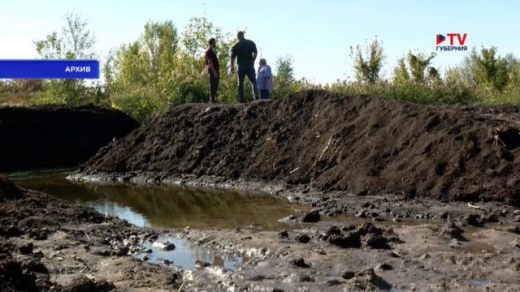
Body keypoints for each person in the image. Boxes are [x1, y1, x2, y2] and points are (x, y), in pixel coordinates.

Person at [230, 31, 259, 102]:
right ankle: (256, 96)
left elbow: (232, 58)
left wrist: (232, 67)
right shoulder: (251, 43)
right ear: (243, 35)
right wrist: (253, 59)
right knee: (253, 81)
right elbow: (256, 52)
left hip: (241, 66)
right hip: (249, 64)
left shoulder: (235, 45)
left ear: (238, 36)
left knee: (240, 83)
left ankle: (242, 99)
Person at [204, 38, 219, 103]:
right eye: (215, 42)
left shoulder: (211, 51)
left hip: (215, 69)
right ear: (213, 43)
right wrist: (214, 71)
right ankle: (211, 99)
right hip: (212, 69)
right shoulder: (209, 51)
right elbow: (210, 62)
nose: (215, 43)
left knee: (215, 84)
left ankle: (213, 99)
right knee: (212, 84)